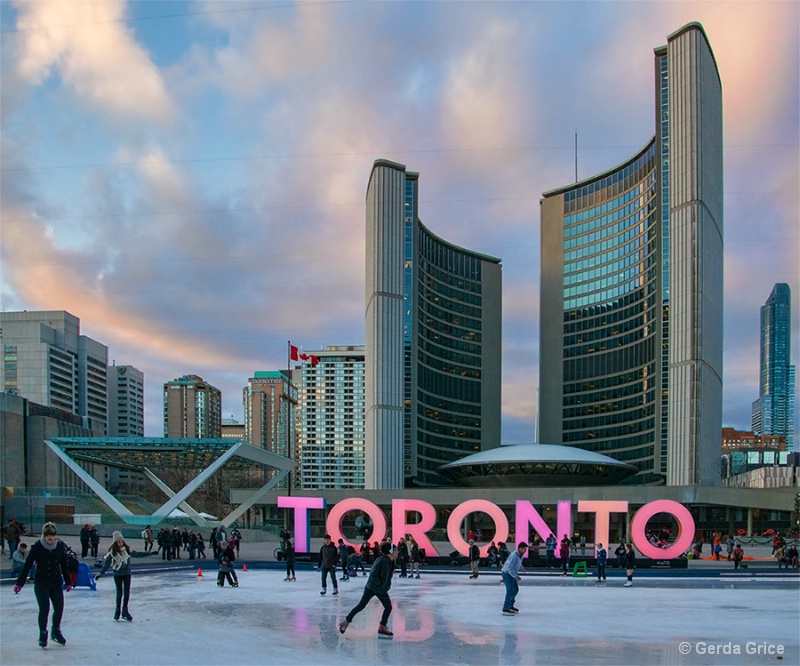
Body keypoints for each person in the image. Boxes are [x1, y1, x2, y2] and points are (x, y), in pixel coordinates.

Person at [13, 522, 72, 648]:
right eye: (49, 539)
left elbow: (64, 564)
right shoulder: (37, 547)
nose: (51, 541)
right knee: (44, 609)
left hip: (55, 582)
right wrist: (20, 583)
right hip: (41, 583)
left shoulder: (59, 546)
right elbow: (28, 565)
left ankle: (56, 631)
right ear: (44, 537)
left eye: (53, 539)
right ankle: (43, 633)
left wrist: (68, 581)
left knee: (59, 608)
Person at [338, 542, 397, 639]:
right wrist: (380, 587)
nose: (397, 552)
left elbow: (388, 577)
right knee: (361, 605)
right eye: (395, 550)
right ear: (390, 551)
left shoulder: (392, 561)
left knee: (388, 607)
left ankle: (382, 626)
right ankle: (345, 622)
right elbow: (374, 574)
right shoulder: (381, 560)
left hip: (381, 589)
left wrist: (385, 586)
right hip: (372, 587)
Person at [96, 531, 134, 621]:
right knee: (119, 592)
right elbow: (107, 564)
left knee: (127, 592)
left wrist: (151, 553)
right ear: (115, 543)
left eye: (122, 541)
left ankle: (125, 610)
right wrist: (100, 573)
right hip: (117, 574)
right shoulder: (112, 552)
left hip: (127, 573)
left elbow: (137, 554)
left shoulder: (127, 550)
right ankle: (117, 611)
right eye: (118, 542)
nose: (121, 543)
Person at [501, 542, 528, 616]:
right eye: (525, 549)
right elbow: (509, 568)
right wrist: (515, 576)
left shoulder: (520, 555)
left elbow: (518, 563)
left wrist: (522, 568)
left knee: (515, 589)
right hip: (507, 573)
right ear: (520, 548)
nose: (525, 551)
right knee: (510, 590)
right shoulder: (514, 555)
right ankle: (505, 608)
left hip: (511, 573)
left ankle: (510, 605)